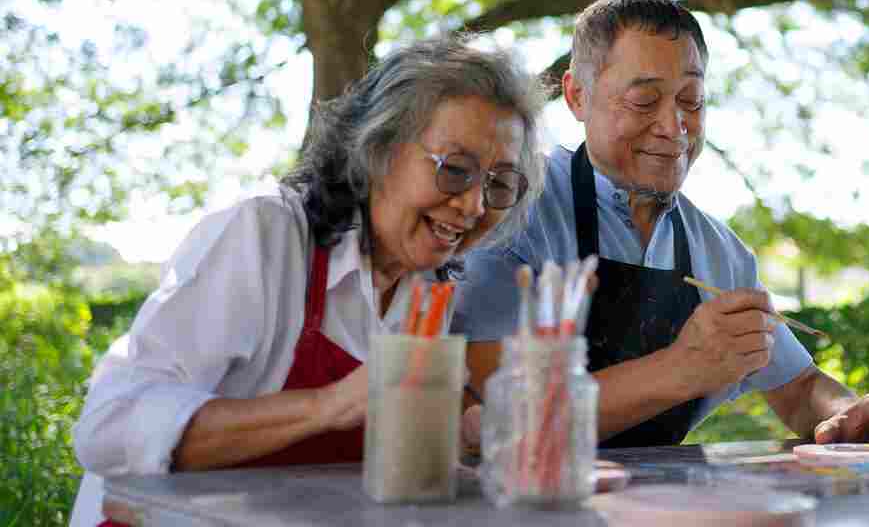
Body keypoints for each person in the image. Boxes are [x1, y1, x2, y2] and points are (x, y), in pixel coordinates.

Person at [457, 0, 869, 454]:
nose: (673, 125)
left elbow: (799, 388)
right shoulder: (510, 209)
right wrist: (681, 368)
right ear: (576, 96)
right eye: (644, 100)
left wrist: (851, 413)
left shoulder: (720, 251)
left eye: (691, 101)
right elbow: (497, 405)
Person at [70, 37, 546, 527]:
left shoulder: (427, 290)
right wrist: (328, 405)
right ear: (378, 150)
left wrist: (462, 446)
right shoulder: (263, 235)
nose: (474, 206)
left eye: (500, 183)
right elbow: (109, 427)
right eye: (456, 170)